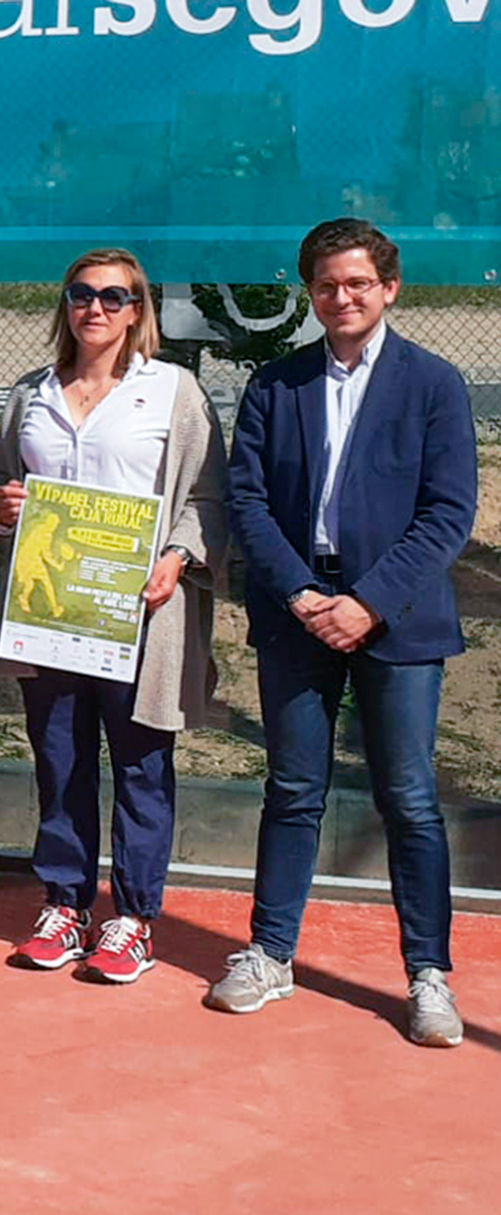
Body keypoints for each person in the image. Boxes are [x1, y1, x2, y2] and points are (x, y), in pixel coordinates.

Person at [218, 218, 476, 1047]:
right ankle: (270, 955)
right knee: (293, 791)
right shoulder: (275, 385)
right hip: (297, 614)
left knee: (408, 800)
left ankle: (428, 975)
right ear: (311, 294)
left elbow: (448, 515)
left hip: (395, 619)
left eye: (359, 282)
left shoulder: (434, 385)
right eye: (327, 284)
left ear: (389, 288)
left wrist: (368, 601)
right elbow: (247, 501)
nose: (343, 297)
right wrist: (299, 592)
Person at [0, 248, 228, 984]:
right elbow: (2, 482)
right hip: (51, 613)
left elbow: (208, 498)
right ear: (65, 304)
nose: (96, 308)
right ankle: (64, 905)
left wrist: (178, 558)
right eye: (82, 294)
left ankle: (133, 918)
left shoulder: (173, 392)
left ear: (138, 310)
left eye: (114, 297)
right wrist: (3, 510)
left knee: (142, 769)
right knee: (58, 764)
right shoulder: (31, 393)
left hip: (140, 617)